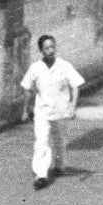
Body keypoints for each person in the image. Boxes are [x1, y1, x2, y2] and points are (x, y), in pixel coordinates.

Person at [19, 34, 86, 190]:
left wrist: (72, 107)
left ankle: (60, 166)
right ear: (41, 50)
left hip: (60, 110)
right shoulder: (35, 68)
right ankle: (41, 175)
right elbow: (28, 89)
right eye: (47, 48)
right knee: (41, 141)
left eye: (52, 47)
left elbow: (76, 86)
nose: (50, 50)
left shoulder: (64, 65)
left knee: (59, 140)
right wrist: (24, 110)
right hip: (42, 111)